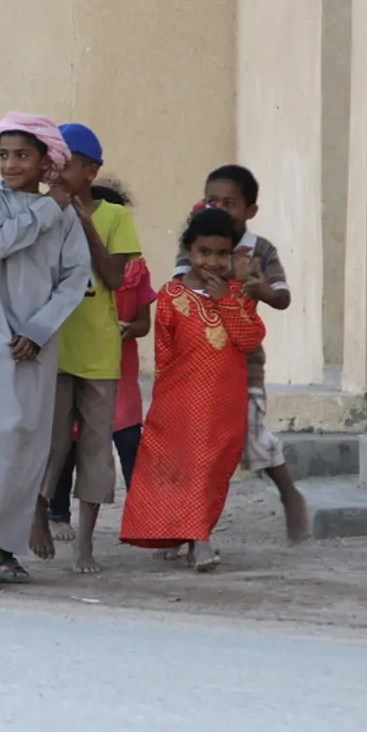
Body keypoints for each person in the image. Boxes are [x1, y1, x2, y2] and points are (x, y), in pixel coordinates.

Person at [0, 112, 91, 585]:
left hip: (37, 344)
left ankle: (7, 549)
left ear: (44, 161)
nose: (10, 164)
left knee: (27, 442)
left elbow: (75, 279)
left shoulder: (66, 218)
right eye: (4, 154)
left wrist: (38, 330)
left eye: (21, 155)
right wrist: (49, 207)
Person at [120, 207, 266, 572]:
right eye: (204, 252)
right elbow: (164, 352)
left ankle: (195, 533)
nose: (212, 262)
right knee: (182, 468)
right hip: (180, 400)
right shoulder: (171, 294)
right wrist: (162, 402)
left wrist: (226, 300)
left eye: (221, 253)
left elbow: (250, 339)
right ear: (189, 250)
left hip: (225, 402)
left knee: (212, 468)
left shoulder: (239, 293)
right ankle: (196, 539)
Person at [172, 164, 309, 543]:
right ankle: (188, 531)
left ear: (250, 210)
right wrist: (224, 270)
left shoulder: (260, 249)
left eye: (229, 203)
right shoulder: (195, 242)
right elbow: (180, 285)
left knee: (251, 440)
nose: (219, 208)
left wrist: (261, 289)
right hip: (199, 365)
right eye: (212, 201)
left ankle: (289, 494)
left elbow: (282, 297)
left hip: (243, 367)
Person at [33, 124, 141, 574]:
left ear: (91, 172)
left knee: (96, 450)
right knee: (51, 443)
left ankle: (85, 544)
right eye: (51, 163)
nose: (55, 172)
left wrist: (85, 225)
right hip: (53, 346)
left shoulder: (114, 217)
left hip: (98, 353)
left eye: (66, 164)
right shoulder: (39, 211)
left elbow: (114, 278)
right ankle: (39, 513)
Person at [48, 180, 154, 535]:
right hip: (75, 359)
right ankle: (57, 514)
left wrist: (127, 328)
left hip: (116, 369)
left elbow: (143, 322)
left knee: (127, 443)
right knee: (66, 443)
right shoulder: (67, 257)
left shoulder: (134, 270)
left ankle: (141, 518)